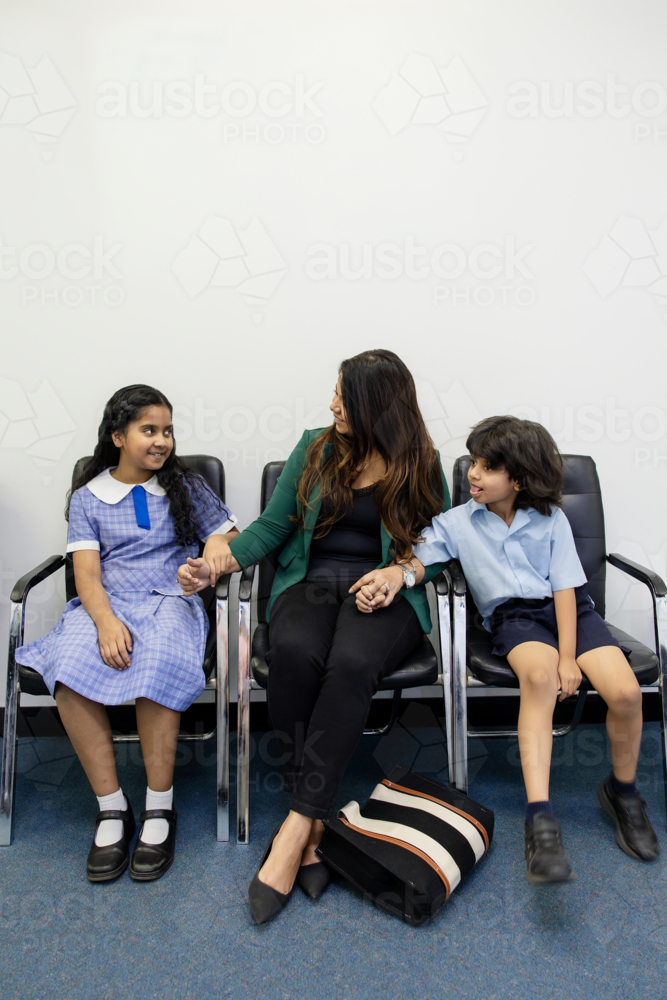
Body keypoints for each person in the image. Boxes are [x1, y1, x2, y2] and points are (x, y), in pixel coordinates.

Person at [178, 350, 450, 922]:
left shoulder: (421, 460)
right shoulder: (316, 446)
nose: (332, 405)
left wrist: (400, 575)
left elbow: (443, 545)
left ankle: (297, 825)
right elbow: (274, 528)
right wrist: (217, 566)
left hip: (386, 593)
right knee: (295, 652)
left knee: (352, 664)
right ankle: (317, 816)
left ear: (379, 405)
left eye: (344, 397)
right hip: (310, 583)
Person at [353, 415, 658, 884]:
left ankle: (624, 793)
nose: (473, 473)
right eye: (473, 462)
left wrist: (569, 657)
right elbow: (419, 559)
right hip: (514, 619)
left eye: (487, 467)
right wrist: (396, 576)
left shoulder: (551, 520)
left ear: (518, 478)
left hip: (572, 612)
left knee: (626, 694)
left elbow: (565, 591)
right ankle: (540, 818)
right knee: (537, 680)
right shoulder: (457, 523)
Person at [15, 384, 238, 883]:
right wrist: (106, 621)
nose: (161, 441)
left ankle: (159, 809)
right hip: (104, 606)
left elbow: (230, 539)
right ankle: (112, 808)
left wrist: (208, 557)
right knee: (69, 669)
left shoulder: (188, 486)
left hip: (169, 603)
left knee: (157, 662)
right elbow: (87, 577)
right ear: (118, 436)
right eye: (148, 430)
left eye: (167, 430)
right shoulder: (89, 497)